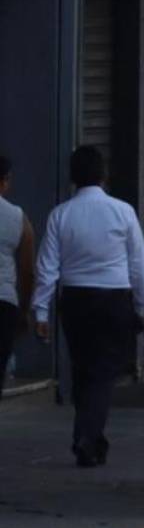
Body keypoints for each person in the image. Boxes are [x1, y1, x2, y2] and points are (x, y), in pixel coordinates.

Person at [32, 147, 144, 467]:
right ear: (103, 175)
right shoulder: (122, 212)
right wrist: (142, 302)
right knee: (102, 373)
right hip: (114, 299)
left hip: (75, 301)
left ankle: (88, 436)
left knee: (84, 368)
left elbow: (47, 267)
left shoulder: (61, 214)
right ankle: (88, 436)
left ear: (73, 178)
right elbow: (138, 263)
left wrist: (41, 310)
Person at [0, 155, 36, 399]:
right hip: (4, 305)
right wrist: (24, 311)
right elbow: (27, 271)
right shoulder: (18, 218)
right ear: (5, 181)